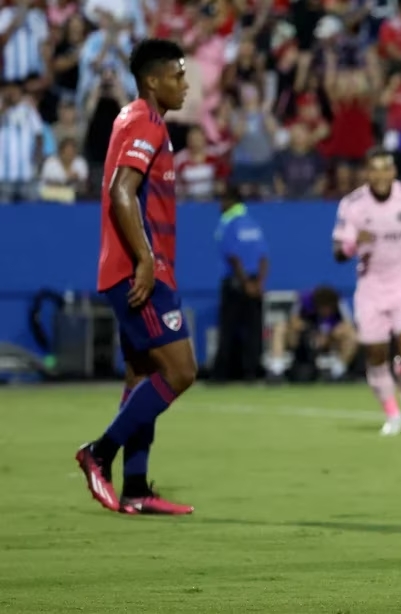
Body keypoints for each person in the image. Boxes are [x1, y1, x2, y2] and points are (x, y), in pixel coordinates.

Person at [76, 39, 195, 516]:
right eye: (177, 76)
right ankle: (98, 453)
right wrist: (145, 261)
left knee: (143, 374)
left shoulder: (138, 119)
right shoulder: (144, 120)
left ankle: (137, 489)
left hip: (135, 267)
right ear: (152, 80)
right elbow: (121, 191)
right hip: (140, 271)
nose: (185, 85)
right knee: (180, 371)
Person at [332, 149, 401, 436]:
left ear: (394, 172)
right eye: (374, 169)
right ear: (367, 173)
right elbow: (338, 252)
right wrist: (353, 244)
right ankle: (392, 414)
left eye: (385, 168)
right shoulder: (353, 205)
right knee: (375, 354)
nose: (380, 175)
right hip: (371, 289)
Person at [212, 186, 269, 382]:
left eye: (222, 200)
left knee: (228, 329)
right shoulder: (252, 223)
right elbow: (263, 257)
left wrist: (245, 283)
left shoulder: (228, 223)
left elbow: (233, 256)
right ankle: (252, 372)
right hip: (254, 282)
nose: (220, 205)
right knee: (254, 330)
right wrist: (259, 283)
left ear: (230, 201)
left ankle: (222, 374)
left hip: (236, 282)